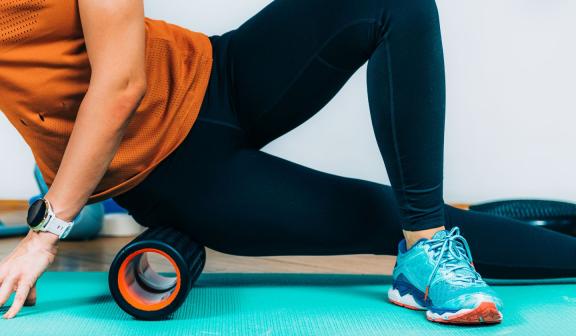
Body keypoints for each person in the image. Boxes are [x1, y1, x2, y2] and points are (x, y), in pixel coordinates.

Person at [1, 0, 575, 324]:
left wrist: (45, 231)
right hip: (171, 175)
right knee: (386, 218)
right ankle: (75, 186)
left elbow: (122, 81)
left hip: (214, 72)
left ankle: (425, 244)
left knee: (392, 4)